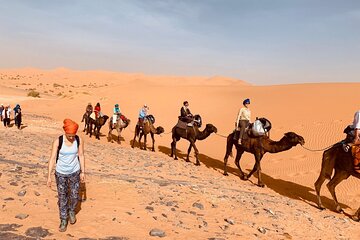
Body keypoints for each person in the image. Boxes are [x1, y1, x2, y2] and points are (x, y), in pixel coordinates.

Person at [47, 119, 85, 232]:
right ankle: (63, 219)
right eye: (69, 136)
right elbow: (52, 158)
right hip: (61, 173)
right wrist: (49, 176)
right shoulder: (58, 141)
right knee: (62, 197)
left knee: (74, 195)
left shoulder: (79, 140)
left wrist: (83, 172)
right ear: (65, 133)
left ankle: (71, 210)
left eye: (73, 135)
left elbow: (81, 155)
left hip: (75, 171)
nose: (72, 138)